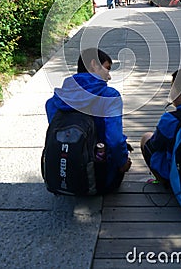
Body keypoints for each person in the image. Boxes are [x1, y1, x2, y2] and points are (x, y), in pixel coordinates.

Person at [45, 48, 132, 193]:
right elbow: (115, 141)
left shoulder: (54, 101)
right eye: (107, 69)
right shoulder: (109, 96)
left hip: (60, 177)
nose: (109, 77)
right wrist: (123, 162)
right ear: (93, 65)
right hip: (100, 180)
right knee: (121, 149)